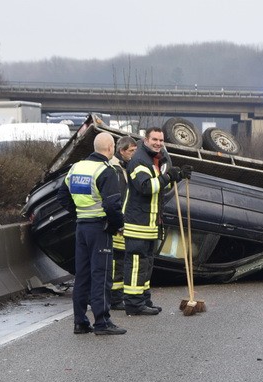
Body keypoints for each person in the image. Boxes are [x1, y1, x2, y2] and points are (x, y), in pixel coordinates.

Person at [56, 131, 126, 335]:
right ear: (111, 148)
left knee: (82, 276)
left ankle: (80, 322)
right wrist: (117, 226)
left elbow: (62, 196)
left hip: (82, 227)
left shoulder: (77, 167)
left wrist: (78, 212)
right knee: (101, 275)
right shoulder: (106, 171)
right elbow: (113, 205)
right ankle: (102, 322)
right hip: (99, 228)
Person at [122, 127, 191, 315]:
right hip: (138, 223)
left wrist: (177, 177)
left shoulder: (155, 160)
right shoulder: (138, 161)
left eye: (161, 140)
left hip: (151, 223)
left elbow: (160, 186)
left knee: (147, 263)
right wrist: (167, 176)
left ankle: (144, 299)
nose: (158, 143)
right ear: (146, 139)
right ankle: (134, 304)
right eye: (155, 139)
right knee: (137, 263)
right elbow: (145, 187)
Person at [109, 135, 138, 311]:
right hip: (116, 225)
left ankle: (114, 298)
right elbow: (119, 198)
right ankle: (114, 299)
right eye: (131, 151)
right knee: (116, 262)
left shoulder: (121, 166)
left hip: (114, 223)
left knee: (117, 261)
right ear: (121, 151)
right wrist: (119, 223)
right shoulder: (117, 169)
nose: (134, 155)